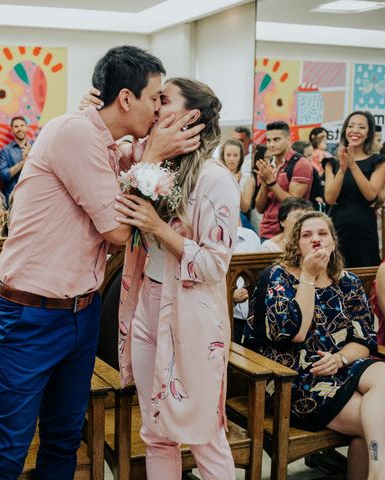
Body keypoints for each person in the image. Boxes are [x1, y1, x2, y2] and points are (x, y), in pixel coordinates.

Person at [0, 45, 203, 479]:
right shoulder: (74, 133)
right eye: (155, 98)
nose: (158, 111)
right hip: (30, 315)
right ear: (125, 98)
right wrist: (152, 156)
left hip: (81, 312)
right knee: (8, 451)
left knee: (64, 441)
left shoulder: (106, 144)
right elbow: (118, 234)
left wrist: (150, 155)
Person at [113, 77, 237, 479]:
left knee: (205, 432)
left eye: (163, 100)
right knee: (155, 431)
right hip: (147, 306)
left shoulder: (216, 180)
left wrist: (159, 227)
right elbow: (110, 144)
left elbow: (215, 266)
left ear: (191, 116)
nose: (154, 107)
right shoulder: (152, 165)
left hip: (193, 316)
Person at [243, 211, 385, 480]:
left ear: (333, 242)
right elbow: (293, 333)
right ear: (296, 245)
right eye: (307, 235)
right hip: (298, 382)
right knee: (377, 424)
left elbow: (364, 341)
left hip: (345, 369)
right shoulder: (277, 277)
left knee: (383, 375)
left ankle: (378, 472)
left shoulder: (349, 282)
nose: (316, 240)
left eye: (323, 234)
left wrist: (340, 358)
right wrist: (308, 276)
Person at [324, 111, 385, 267]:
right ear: (345, 131)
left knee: (365, 275)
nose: (355, 130)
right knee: (336, 272)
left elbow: (371, 195)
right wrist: (342, 169)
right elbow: (330, 198)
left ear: (368, 134)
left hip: (364, 228)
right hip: (337, 226)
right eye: (350, 126)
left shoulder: (377, 162)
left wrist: (352, 165)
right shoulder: (332, 162)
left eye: (361, 127)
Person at [255, 121, 314, 240]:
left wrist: (271, 182)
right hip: (266, 232)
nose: (271, 144)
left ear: (288, 139)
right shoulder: (268, 165)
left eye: (276, 139)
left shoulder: (301, 164)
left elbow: (294, 204)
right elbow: (260, 208)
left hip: (292, 233)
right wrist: (265, 186)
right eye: (269, 140)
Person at [0, 116, 33, 199]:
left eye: (22, 125)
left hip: (32, 193)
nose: (19, 129)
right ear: (11, 129)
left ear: (27, 128)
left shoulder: (36, 147)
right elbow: (4, 176)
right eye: (16, 126)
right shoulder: (5, 150)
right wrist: (23, 162)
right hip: (12, 195)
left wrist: (32, 157)